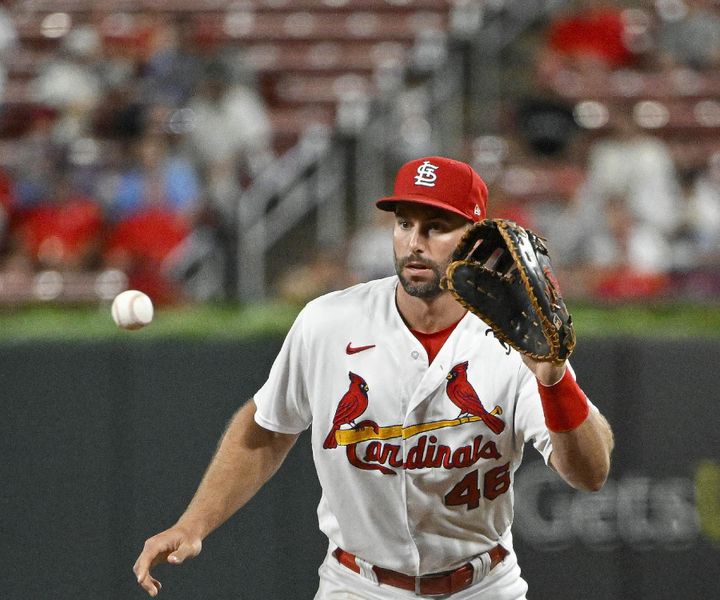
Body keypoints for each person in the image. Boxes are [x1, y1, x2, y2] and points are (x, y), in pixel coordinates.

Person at [133, 156, 614, 599]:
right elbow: (266, 428)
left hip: (481, 587)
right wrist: (194, 523)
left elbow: (590, 472)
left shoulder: (512, 335)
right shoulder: (329, 322)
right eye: (404, 223)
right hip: (357, 585)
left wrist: (555, 381)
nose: (414, 242)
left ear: (474, 236)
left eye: (437, 226)